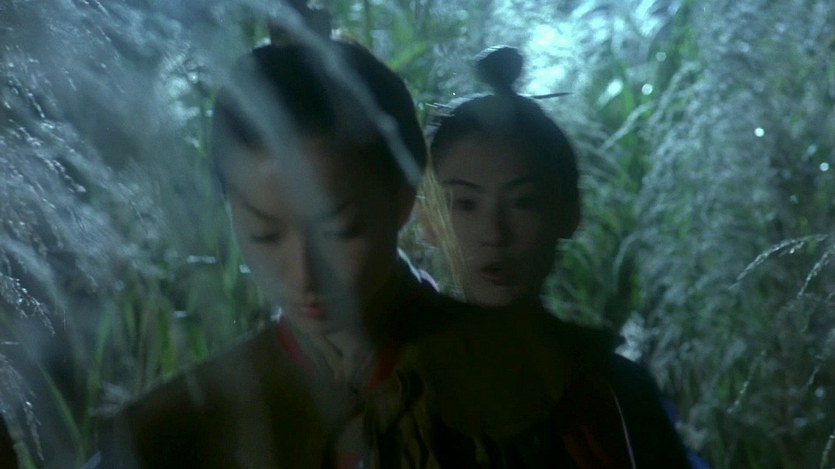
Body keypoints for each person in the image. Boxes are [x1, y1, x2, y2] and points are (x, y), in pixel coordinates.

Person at [98, 10, 645, 468]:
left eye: (339, 230)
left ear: (403, 201)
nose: (304, 275)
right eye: (265, 233)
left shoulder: (539, 383)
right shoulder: (174, 431)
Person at [422, 46, 694, 468]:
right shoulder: (401, 385)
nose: (494, 234)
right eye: (465, 204)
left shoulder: (618, 391)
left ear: (569, 213)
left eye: (523, 202)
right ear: (428, 220)